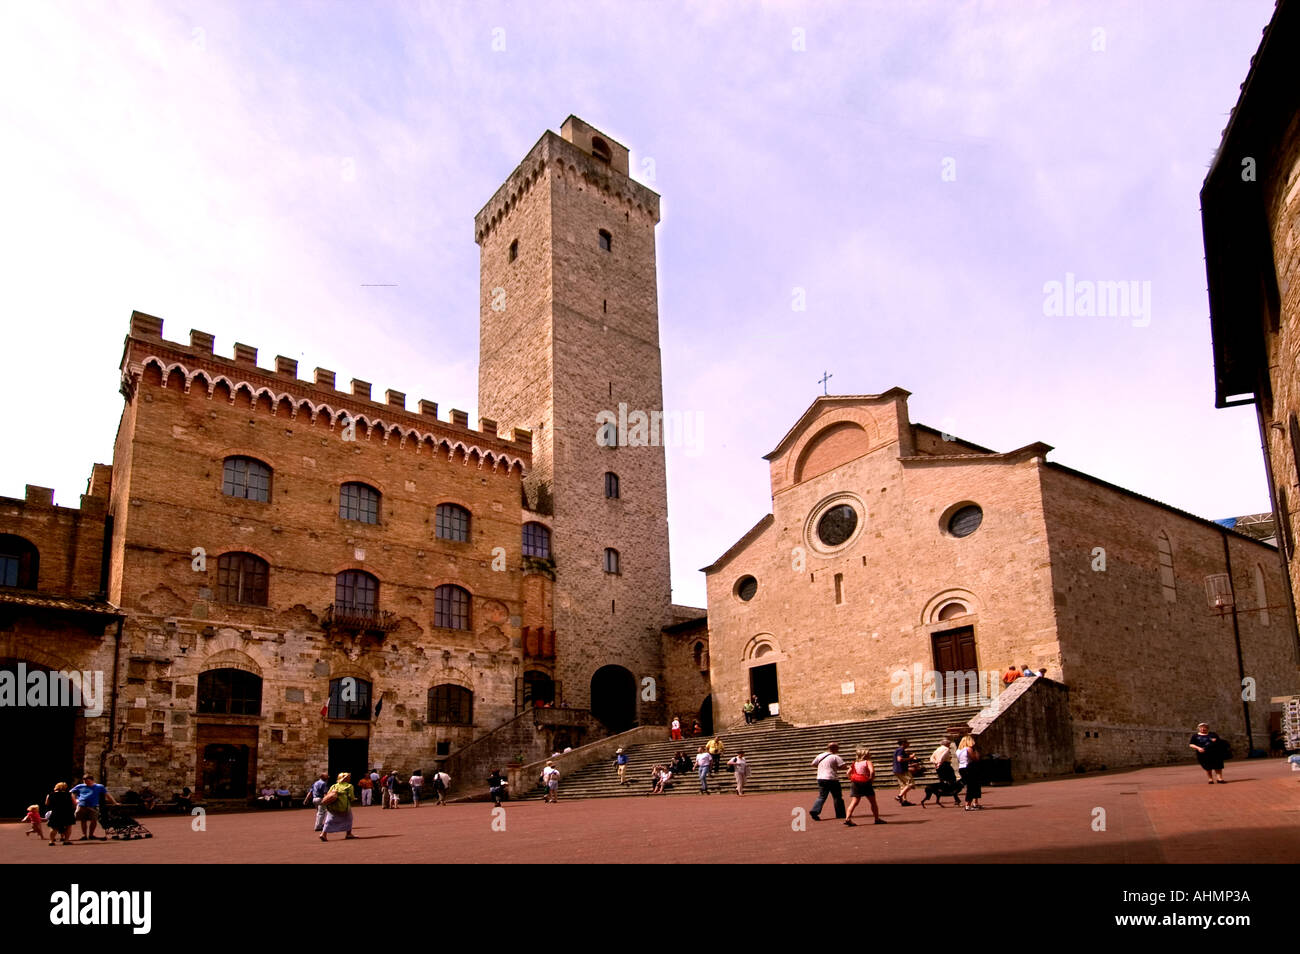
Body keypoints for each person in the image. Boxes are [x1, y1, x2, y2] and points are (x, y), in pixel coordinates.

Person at [844, 746, 885, 826]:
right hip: (865, 782)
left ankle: (847, 818)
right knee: (873, 802)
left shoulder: (854, 763)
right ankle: (877, 819)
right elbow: (872, 772)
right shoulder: (868, 762)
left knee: (854, 802)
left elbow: (847, 773)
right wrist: (871, 779)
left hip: (855, 783)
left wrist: (852, 779)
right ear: (865, 755)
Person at [70, 773, 116, 841]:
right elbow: (72, 792)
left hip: (93, 806)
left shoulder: (99, 786)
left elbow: (107, 795)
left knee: (94, 820)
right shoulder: (80, 786)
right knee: (83, 820)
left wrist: (114, 802)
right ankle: (84, 835)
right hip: (82, 805)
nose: (86, 783)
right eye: (85, 781)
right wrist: (75, 800)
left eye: (88, 781)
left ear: (92, 780)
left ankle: (91, 834)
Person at [810, 742, 847, 821]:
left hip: (820, 778)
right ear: (834, 748)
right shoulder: (835, 757)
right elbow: (843, 766)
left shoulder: (820, 755)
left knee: (822, 796)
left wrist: (822, 767)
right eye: (837, 748)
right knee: (837, 797)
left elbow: (813, 764)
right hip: (832, 778)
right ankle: (840, 814)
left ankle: (815, 810)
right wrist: (835, 767)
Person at [319, 772, 357, 841]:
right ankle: (348, 833)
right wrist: (353, 799)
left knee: (329, 820)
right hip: (344, 806)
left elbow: (328, 794)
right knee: (349, 819)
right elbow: (351, 797)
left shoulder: (334, 786)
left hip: (333, 806)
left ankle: (323, 834)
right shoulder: (349, 786)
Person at [45, 782, 75, 846]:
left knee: (54, 827)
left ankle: (51, 841)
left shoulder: (50, 795)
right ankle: (66, 840)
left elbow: (47, 803)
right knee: (68, 826)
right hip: (67, 812)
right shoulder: (69, 794)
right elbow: (74, 803)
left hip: (56, 812)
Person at [957, 735, 983, 810]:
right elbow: (975, 758)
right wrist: (976, 752)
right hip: (969, 768)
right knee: (972, 786)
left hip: (961, 768)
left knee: (972, 785)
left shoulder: (958, 751)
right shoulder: (969, 749)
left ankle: (973, 803)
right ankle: (968, 804)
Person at [892, 740, 918, 806]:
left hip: (897, 770)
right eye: (907, 743)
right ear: (903, 743)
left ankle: (904, 801)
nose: (909, 744)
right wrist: (910, 758)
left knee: (903, 785)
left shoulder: (898, 750)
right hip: (902, 770)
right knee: (910, 783)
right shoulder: (901, 750)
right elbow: (899, 759)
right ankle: (899, 796)